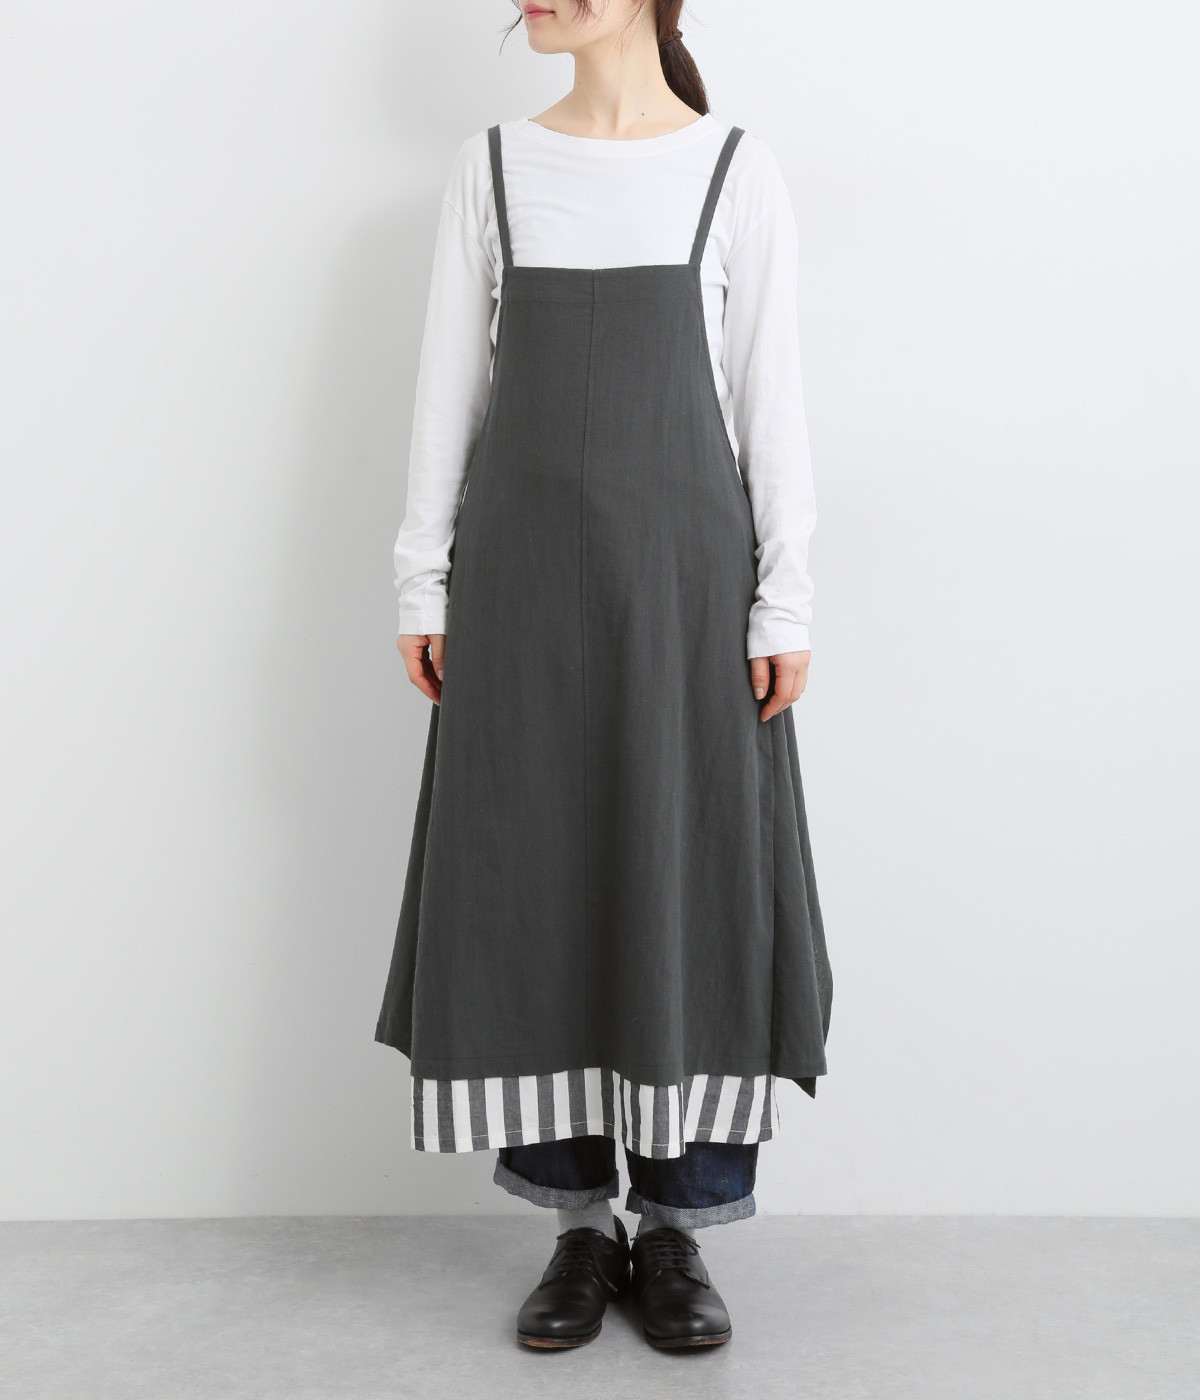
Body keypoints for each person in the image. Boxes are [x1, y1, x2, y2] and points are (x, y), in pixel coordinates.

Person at [375, 0, 832, 1351]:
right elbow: (448, 389)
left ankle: (676, 1228)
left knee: (688, 870)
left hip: (687, 592)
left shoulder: (734, 170)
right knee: (538, 872)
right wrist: (420, 577)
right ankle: (579, 1224)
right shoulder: (492, 168)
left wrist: (784, 597)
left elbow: (771, 400)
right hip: (520, 588)